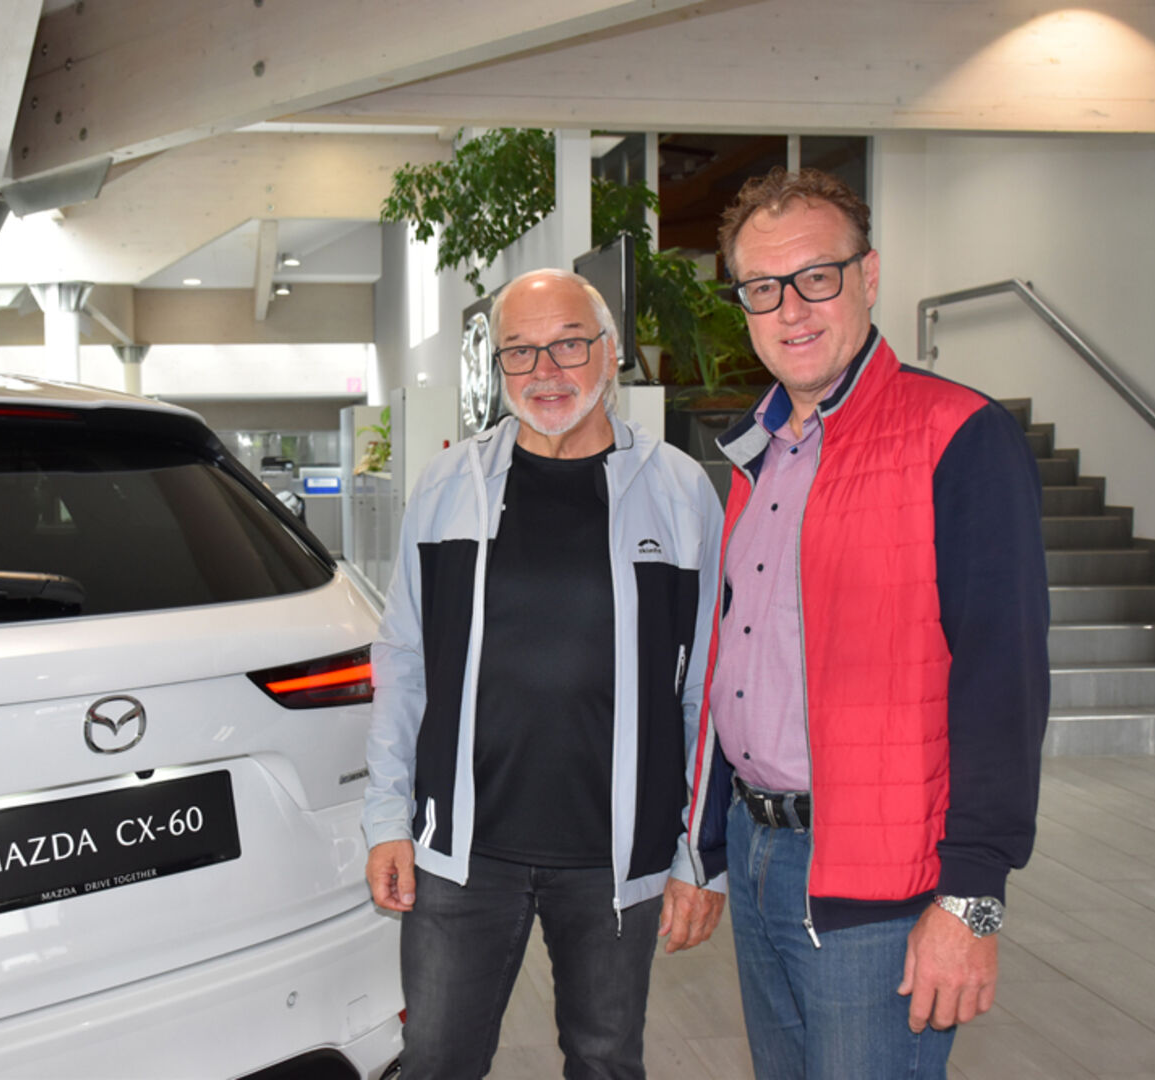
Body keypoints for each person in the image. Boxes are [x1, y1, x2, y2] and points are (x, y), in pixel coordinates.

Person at [682, 167, 1050, 1079]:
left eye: (816, 276)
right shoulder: (759, 453)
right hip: (761, 854)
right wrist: (710, 843)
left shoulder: (956, 434)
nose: (790, 310)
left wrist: (971, 899)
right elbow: (741, 661)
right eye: (761, 288)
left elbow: (1002, 682)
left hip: (883, 887)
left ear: (869, 275)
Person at [362, 268, 728, 1078]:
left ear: (609, 351)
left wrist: (697, 856)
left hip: (615, 854)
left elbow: (707, 688)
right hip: (462, 849)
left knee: (604, 1060)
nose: (544, 371)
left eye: (567, 344)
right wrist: (387, 817)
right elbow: (404, 660)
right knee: (435, 1059)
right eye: (519, 352)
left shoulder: (677, 490)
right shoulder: (447, 486)